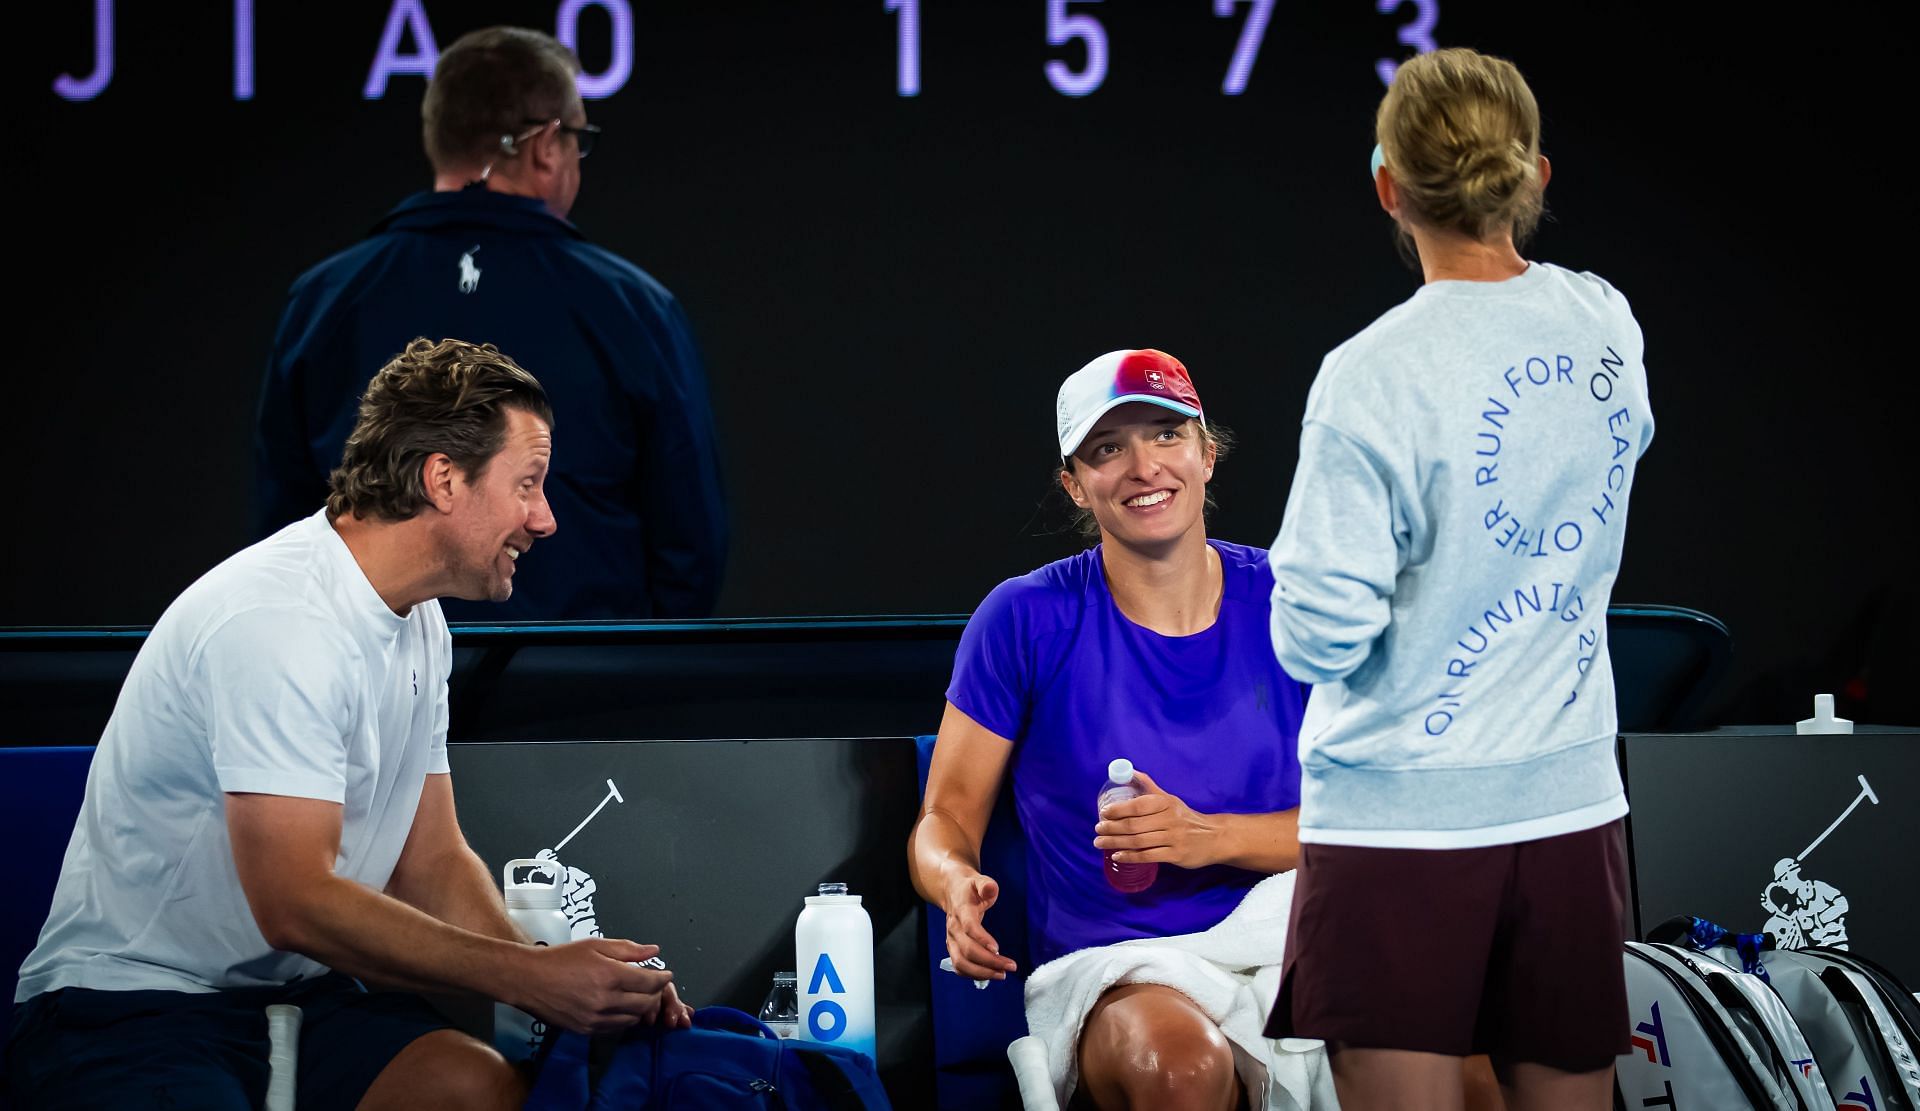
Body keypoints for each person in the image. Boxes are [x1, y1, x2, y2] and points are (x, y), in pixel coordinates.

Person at [5, 338, 689, 1111]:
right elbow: (295, 901)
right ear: (443, 478)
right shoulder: (279, 620)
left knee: (484, 1094)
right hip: (126, 1010)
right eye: (527, 484)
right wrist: (530, 976)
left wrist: (555, 976)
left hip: (298, 999)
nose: (546, 518)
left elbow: (429, 858)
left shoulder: (423, 621)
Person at [1264, 48, 1654, 1111]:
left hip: (1398, 828)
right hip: (1572, 810)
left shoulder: (1372, 375)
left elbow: (1316, 639)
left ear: (1389, 186)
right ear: (1536, 177)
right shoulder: (1605, 322)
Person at [909, 348, 1309, 1110]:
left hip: (1296, 938)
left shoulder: (1299, 598)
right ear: (1075, 484)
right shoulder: (1023, 617)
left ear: (1206, 454)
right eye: (1106, 448)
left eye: (1165, 434)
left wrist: (1211, 836)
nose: (1142, 465)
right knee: (1180, 1068)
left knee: (1470, 1060)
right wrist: (956, 883)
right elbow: (945, 816)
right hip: (1118, 970)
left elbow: (1378, 826)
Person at [255, 26, 727, 621]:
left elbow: (284, 529)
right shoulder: (634, 307)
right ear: (547, 145)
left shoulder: (323, 300)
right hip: (581, 693)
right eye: (577, 140)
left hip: (368, 693)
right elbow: (688, 540)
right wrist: (640, 681)